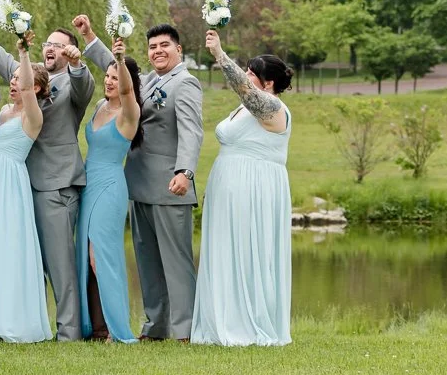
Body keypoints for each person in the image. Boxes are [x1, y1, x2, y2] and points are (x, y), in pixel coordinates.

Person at [80, 18, 204, 341]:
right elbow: (118, 72)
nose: (158, 51)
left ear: (178, 49)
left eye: (165, 45)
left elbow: (192, 130)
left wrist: (185, 172)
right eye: (152, 47)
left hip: (169, 185)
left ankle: (184, 329)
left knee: (176, 263)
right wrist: (91, 38)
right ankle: (155, 326)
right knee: (147, 263)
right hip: (136, 185)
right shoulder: (147, 83)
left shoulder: (185, 84)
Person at [0, 22, 94, 340]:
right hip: (16, 184)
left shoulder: (74, 83)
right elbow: (1, 57)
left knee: (60, 262)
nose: (50, 48)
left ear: (69, 53)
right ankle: (26, 322)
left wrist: (79, 62)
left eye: (58, 45)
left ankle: (69, 331)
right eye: (47, 44)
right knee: (23, 259)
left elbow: (84, 85)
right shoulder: (29, 73)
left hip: (55, 183)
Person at [192, 32, 293, 347]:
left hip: (256, 190)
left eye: (253, 73)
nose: (246, 77)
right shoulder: (242, 109)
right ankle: (219, 319)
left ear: (269, 83)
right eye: (247, 70)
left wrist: (221, 56)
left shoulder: (273, 107)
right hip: (228, 187)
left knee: (249, 252)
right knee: (224, 250)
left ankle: (247, 324)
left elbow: (245, 90)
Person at [0, 35, 52, 343]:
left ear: (37, 87)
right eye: (13, 77)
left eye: (21, 79)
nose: (15, 83)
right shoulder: (1, 110)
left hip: (10, 187)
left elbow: (28, 88)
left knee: (9, 248)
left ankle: (12, 322)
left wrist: (23, 53)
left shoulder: (33, 116)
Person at [76, 37, 142, 343]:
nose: (110, 81)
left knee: (100, 257)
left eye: (116, 77)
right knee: (85, 258)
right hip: (88, 187)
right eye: (108, 76)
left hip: (110, 188)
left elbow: (128, 91)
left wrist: (119, 57)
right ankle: (94, 327)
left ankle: (119, 330)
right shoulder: (101, 105)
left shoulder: (129, 114)